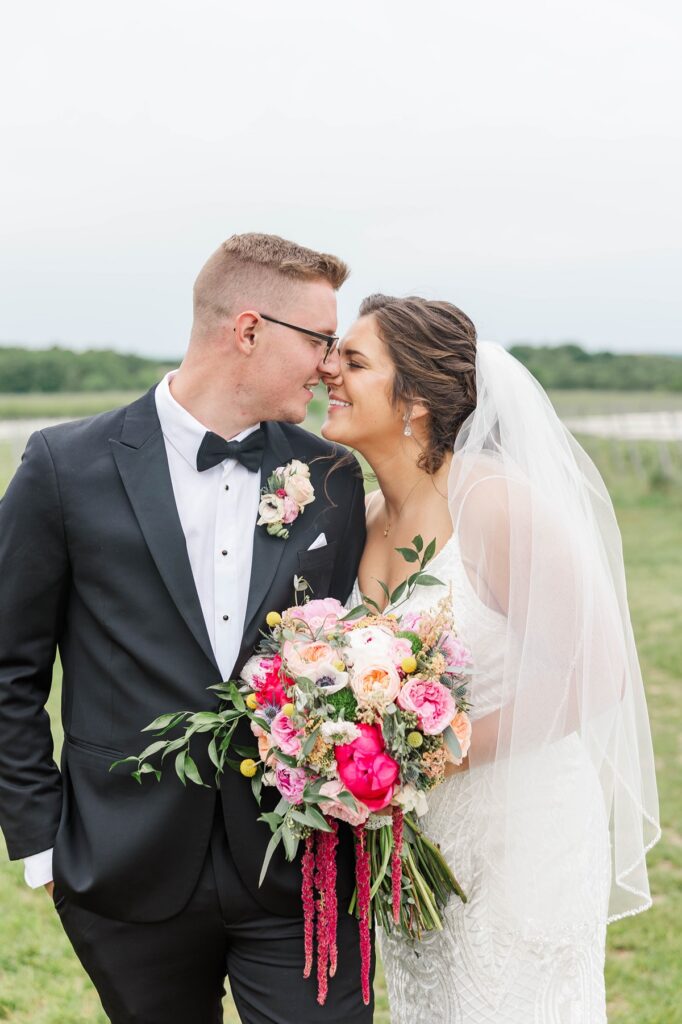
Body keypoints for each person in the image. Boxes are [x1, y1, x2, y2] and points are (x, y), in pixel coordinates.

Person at [0, 233, 373, 1024]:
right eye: (318, 340)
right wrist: (41, 845)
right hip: (124, 872)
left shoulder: (334, 478)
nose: (329, 365)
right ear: (247, 330)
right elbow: (9, 668)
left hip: (296, 864)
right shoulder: (64, 467)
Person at [320, 293, 660, 1022]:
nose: (328, 373)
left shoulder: (494, 503)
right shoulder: (370, 516)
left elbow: (597, 672)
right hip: (419, 843)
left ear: (412, 398)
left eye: (352, 361)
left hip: (520, 834)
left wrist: (438, 752)